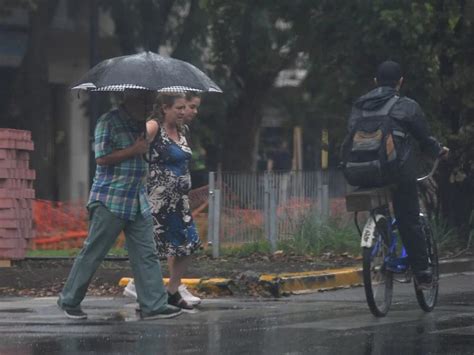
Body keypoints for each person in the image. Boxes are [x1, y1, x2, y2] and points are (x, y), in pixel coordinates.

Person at [57, 89, 182, 320]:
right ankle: (69, 300)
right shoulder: (108, 122)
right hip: (111, 199)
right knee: (94, 251)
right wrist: (133, 150)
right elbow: (101, 158)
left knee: (146, 253)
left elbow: (142, 155)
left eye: (150, 102)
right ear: (130, 99)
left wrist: (145, 149)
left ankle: (154, 304)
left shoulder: (140, 125)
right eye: (145, 101)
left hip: (136, 200)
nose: (148, 106)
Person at [348, 60, 449, 288]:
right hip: (397, 172)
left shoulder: (359, 106)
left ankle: (383, 245)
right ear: (400, 82)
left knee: (380, 208)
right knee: (408, 218)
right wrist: (439, 151)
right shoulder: (406, 106)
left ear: (375, 82)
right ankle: (423, 273)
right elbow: (424, 138)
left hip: (362, 172)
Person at [123, 92, 203, 307]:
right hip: (158, 199)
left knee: (188, 244)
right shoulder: (153, 126)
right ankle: (137, 285)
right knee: (155, 247)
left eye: (185, 108)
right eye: (179, 108)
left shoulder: (182, 130)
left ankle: (171, 289)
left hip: (179, 200)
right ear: (165, 108)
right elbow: (135, 147)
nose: (184, 112)